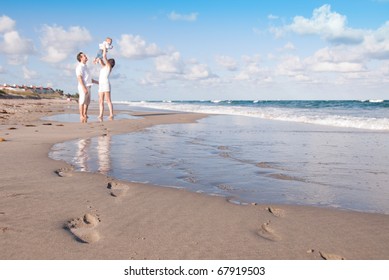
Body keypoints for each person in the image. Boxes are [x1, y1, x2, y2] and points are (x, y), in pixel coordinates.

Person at [76, 52, 98, 123]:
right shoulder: (79, 67)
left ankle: (85, 114)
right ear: (81, 58)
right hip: (83, 86)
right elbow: (79, 78)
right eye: (84, 56)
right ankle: (81, 115)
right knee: (82, 101)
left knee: (87, 102)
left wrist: (97, 82)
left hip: (89, 85)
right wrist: (83, 87)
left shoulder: (86, 67)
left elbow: (89, 78)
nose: (86, 57)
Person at [98, 47, 115, 121]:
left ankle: (111, 114)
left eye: (108, 61)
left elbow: (104, 57)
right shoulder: (104, 67)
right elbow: (100, 60)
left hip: (105, 84)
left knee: (108, 100)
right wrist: (100, 52)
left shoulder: (109, 67)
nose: (107, 61)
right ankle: (101, 114)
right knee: (100, 100)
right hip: (101, 84)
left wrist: (105, 49)